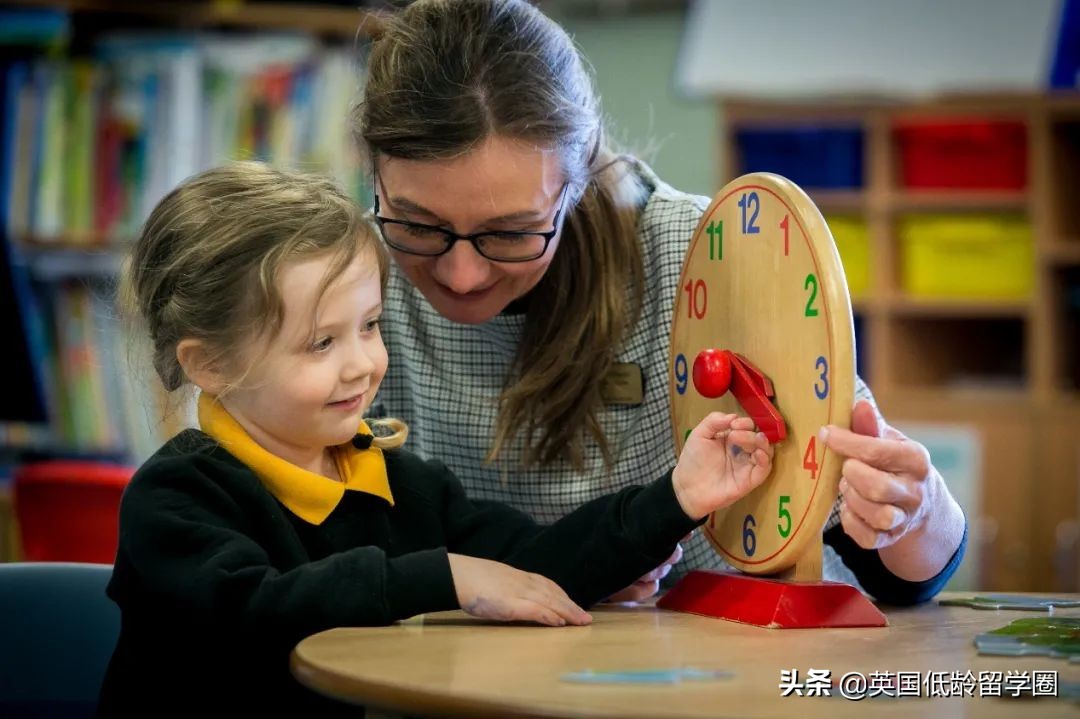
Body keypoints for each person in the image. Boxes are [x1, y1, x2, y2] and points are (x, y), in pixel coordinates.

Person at [97, 162, 777, 716]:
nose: (362, 362)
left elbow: (535, 564)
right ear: (209, 364)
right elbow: (257, 613)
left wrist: (676, 497)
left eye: (369, 325)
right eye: (320, 342)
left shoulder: (391, 476)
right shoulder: (173, 499)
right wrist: (446, 576)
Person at [358, 0, 967, 603]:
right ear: (374, 175)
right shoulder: (351, 282)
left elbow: (899, 572)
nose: (462, 275)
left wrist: (914, 514)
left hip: (726, 675)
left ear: (575, 183)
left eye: (512, 232)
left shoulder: (705, 255)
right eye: (418, 225)